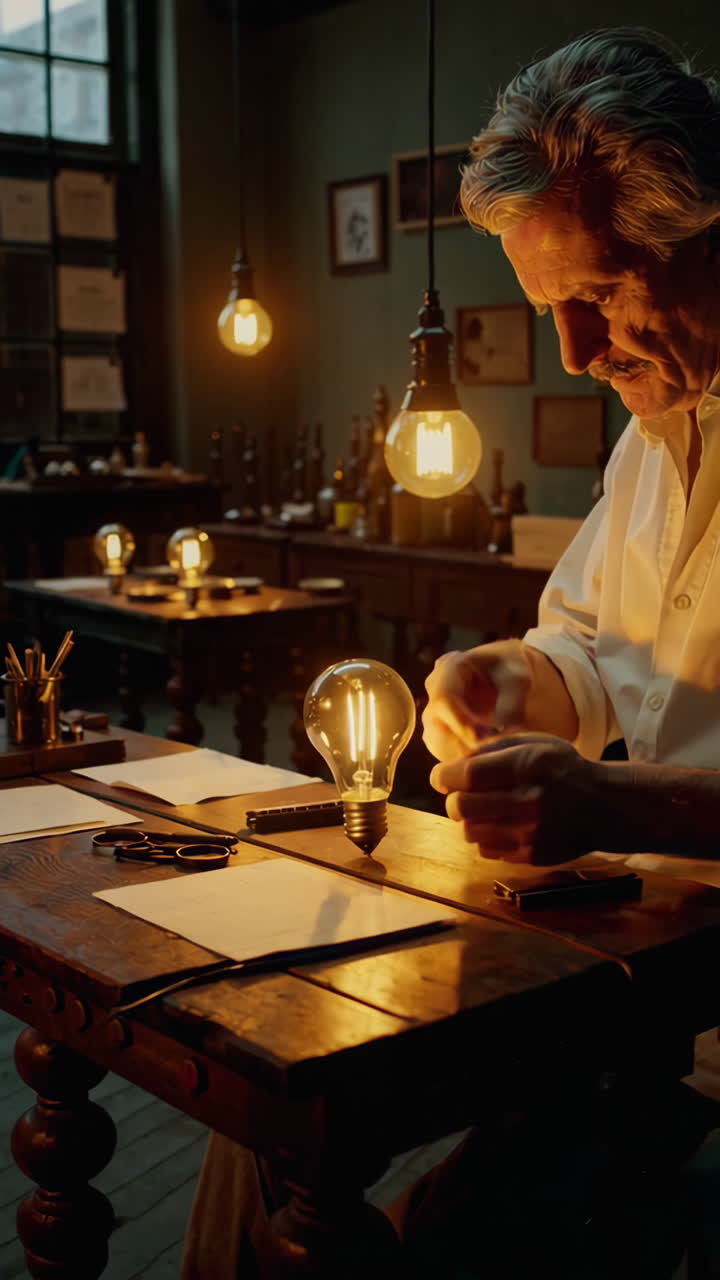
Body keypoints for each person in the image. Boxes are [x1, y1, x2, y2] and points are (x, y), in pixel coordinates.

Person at [182, 29, 720, 1277]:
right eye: (548, 311)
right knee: (262, 1075)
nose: (574, 352)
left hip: (695, 1035)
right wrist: (509, 679)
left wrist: (620, 801)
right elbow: (587, 649)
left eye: (601, 294)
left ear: (707, 234)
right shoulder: (656, 434)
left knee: (412, 1224)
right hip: (616, 967)